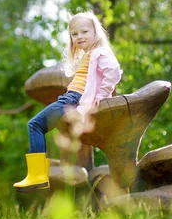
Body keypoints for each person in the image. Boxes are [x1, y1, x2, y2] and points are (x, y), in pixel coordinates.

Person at [13, 11, 121, 192]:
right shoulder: (89, 55)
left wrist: (101, 96)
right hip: (71, 98)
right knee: (39, 125)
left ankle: (37, 176)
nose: (79, 36)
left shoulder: (99, 52)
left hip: (73, 99)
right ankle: (37, 175)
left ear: (95, 32)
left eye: (84, 32)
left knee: (35, 125)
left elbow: (114, 72)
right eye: (75, 34)